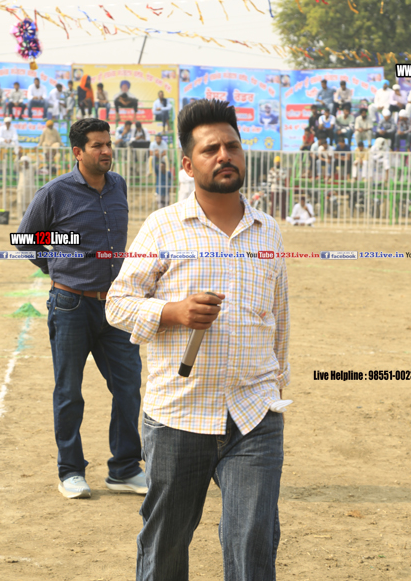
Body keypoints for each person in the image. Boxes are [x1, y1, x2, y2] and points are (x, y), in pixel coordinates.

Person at [105, 99, 290, 581]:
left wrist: (275, 386)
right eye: (211, 149)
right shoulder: (162, 226)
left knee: (252, 542)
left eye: (232, 146)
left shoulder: (268, 231)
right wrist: (173, 312)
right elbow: (117, 304)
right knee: (165, 543)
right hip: (178, 415)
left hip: (254, 415)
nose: (224, 155)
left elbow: (279, 320)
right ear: (188, 165)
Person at [14, 118, 145, 499]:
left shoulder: (118, 185)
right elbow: (25, 238)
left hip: (116, 307)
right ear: (77, 152)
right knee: (69, 391)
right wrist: (57, 266)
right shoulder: (55, 192)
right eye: (97, 145)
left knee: (128, 387)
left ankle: (124, 468)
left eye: (108, 144)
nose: (106, 151)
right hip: (70, 304)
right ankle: (70, 471)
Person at [16, 152, 37, 218]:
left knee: (30, 203)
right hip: (21, 188)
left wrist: (36, 153)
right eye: (23, 161)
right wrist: (18, 156)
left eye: (26, 161)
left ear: (28, 162)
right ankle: (20, 217)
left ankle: (29, 217)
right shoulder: (21, 168)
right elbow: (15, 164)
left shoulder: (32, 167)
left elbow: (38, 163)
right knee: (20, 203)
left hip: (30, 188)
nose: (24, 163)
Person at [267, 155, 287, 220]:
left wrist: (277, 176)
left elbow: (284, 177)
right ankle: (272, 216)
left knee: (282, 204)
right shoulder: (271, 170)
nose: (277, 163)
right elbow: (269, 179)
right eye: (276, 162)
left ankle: (283, 217)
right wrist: (277, 179)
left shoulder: (283, 169)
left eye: (278, 162)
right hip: (274, 189)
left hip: (281, 189)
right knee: (273, 204)